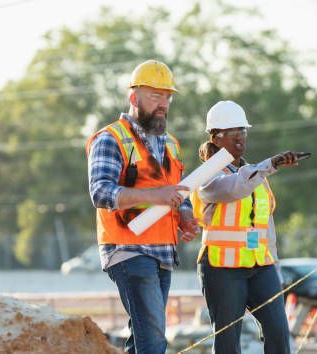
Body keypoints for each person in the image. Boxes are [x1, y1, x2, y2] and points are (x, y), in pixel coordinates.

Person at [86, 59, 199, 354]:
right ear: (134, 97)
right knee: (153, 341)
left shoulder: (171, 144)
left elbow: (176, 193)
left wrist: (184, 216)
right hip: (128, 249)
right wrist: (157, 195)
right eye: (154, 96)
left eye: (167, 97)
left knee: (143, 339)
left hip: (162, 250)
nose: (163, 104)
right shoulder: (111, 139)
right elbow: (101, 193)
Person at [191, 100, 298, 354]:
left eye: (242, 132)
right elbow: (235, 187)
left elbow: (266, 229)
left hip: (261, 267)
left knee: (279, 334)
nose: (239, 139)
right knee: (228, 342)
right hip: (222, 269)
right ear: (216, 138)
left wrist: (276, 271)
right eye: (231, 134)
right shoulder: (207, 175)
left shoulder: (256, 175)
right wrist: (270, 165)